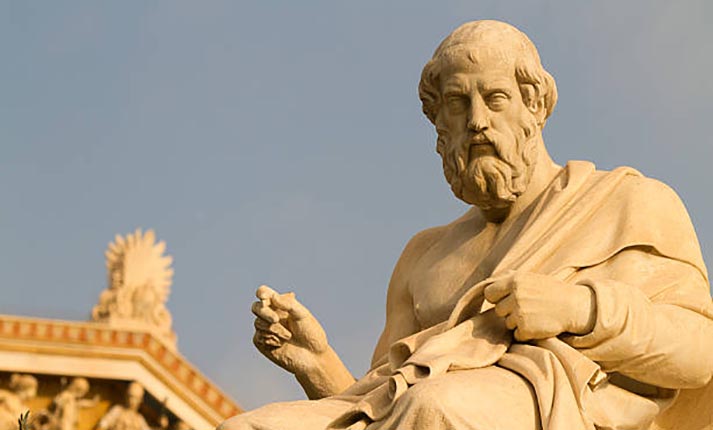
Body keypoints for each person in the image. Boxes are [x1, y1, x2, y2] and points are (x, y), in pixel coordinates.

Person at [220, 20, 713, 430]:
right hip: (428, 406)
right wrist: (317, 363)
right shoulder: (423, 255)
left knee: (435, 407)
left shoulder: (625, 203)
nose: (477, 120)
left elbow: (699, 351)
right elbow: (377, 406)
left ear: (534, 107)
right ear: (440, 124)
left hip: (544, 402)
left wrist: (578, 309)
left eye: (495, 99)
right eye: (458, 103)